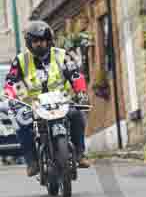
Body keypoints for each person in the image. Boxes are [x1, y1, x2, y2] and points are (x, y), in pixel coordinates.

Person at [3, 20, 91, 177]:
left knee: (77, 115)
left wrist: (81, 93)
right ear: (29, 43)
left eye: (42, 40)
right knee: (21, 124)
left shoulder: (62, 56)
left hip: (61, 101)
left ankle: (80, 154)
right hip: (34, 105)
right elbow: (10, 82)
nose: (39, 44)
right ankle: (31, 161)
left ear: (49, 41)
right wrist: (11, 97)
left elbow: (76, 76)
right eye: (35, 41)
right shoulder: (21, 60)